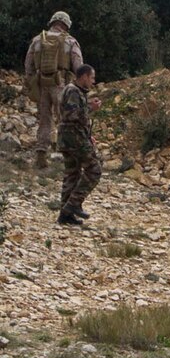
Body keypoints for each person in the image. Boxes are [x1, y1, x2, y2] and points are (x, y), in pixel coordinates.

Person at [25, 11, 84, 168]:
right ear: (66, 25)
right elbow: (78, 66)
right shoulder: (70, 41)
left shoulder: (37, 40)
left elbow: (28, 64)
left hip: (41, 83)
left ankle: (41, 155)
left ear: (52, 22)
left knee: (44, 119)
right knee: (65, 119)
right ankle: (69, 156)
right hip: (60, 84)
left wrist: (31, 82)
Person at [56, 64, 101, 226]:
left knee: (72, 174)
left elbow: (76, 117)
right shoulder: (73, 91)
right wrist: (91, 107)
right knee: (94, 169)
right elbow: (72, 114)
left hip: (70, 137)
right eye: (92, 78)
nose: (93, 81)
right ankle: (73, 205)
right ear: (84, 77)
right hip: (73, 138)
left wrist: (88, 135)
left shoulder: (74, 91)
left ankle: (65, 215)